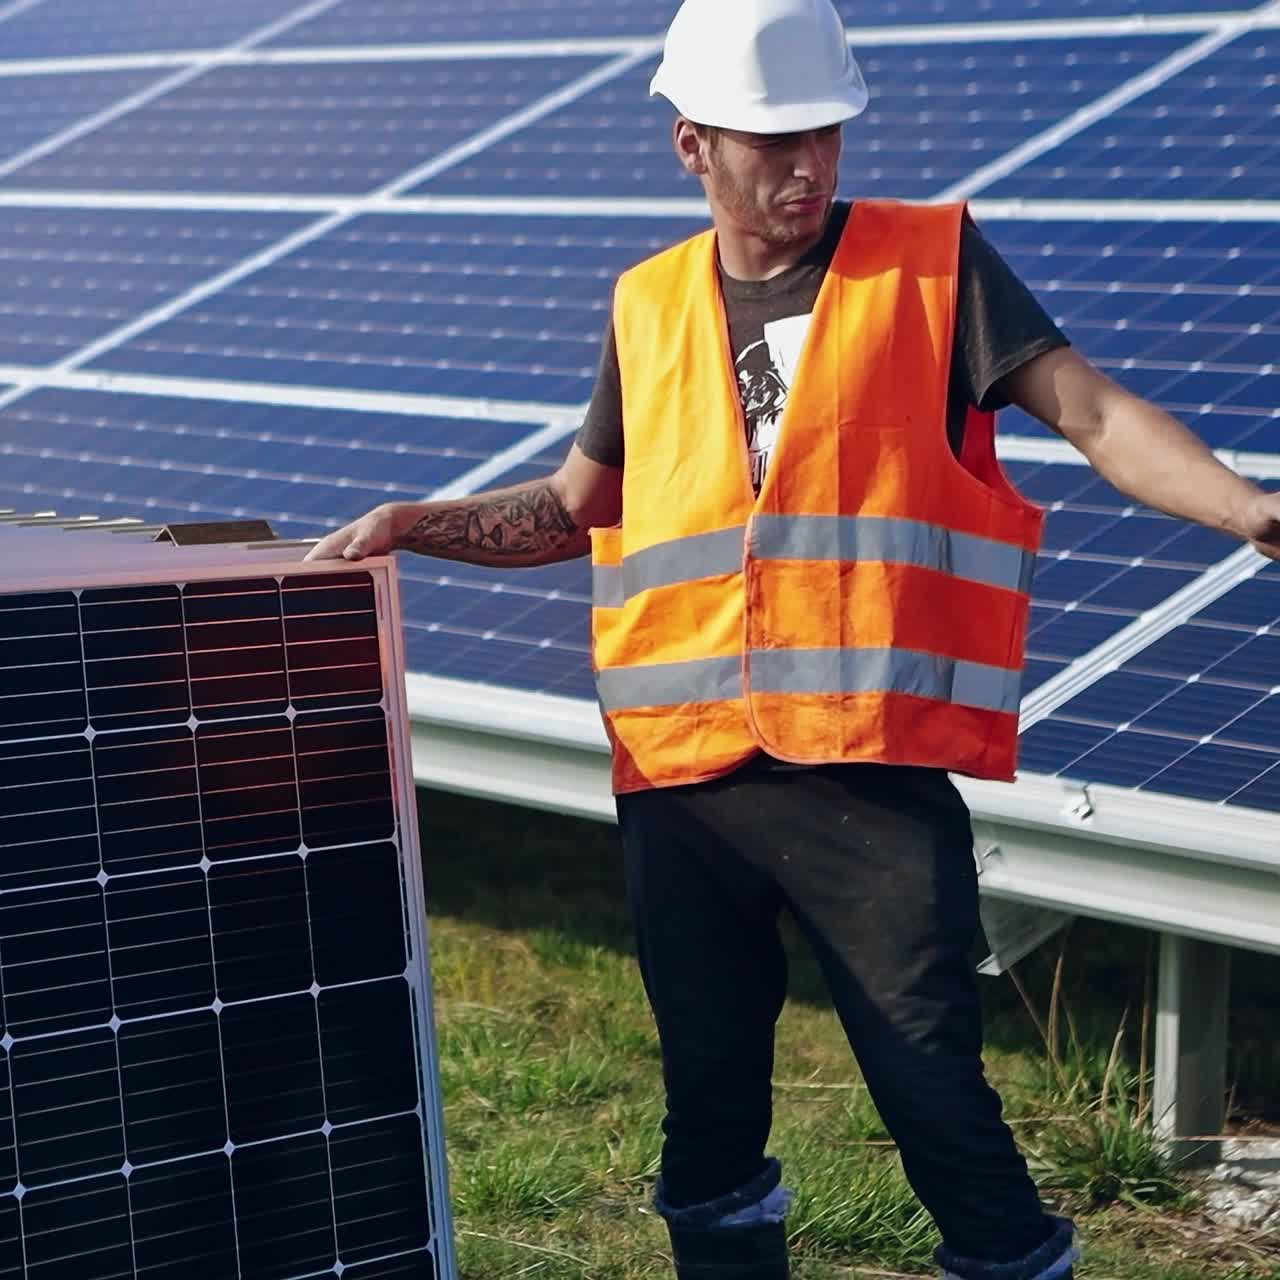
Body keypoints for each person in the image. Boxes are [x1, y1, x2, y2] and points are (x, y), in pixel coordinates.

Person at [307, 1, 1280, 1275]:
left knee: (931, 1086)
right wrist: (412, 523)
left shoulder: (929, 268)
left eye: (822, 133)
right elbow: (576, 505)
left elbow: (1091, 413)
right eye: (771, 141)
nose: (806, 165)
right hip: (682, 774)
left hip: (864, 768)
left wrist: (1245, 507)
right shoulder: (649, 305)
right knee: (707, 1101)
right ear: (692, 145)